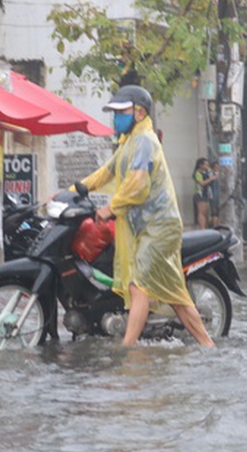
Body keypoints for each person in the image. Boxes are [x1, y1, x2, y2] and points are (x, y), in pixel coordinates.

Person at [79, 85, 215, 348]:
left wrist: (111, 208)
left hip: (160, 228)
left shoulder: (144, 141)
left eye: (122, 112)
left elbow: (138, 185)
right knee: (173, 294)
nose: (116, 118)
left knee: (138, 286)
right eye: (115, 113)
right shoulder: (129, 143)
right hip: (146, 229)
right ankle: (208, 347)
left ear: (139, 113)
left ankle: (128, 349)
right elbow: (105, 173)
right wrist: (75, 189)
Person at [193, 158, 218, 229]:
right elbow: (201, 183)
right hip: (200, 194)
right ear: (200, 165)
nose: (207, 166)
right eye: (205, 164)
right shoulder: (198, 173)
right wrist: (211, 179)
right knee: (201, 212)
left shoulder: (207, 172)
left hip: (207, 194)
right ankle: (202, 227)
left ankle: (206, 226)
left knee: (207, 213)